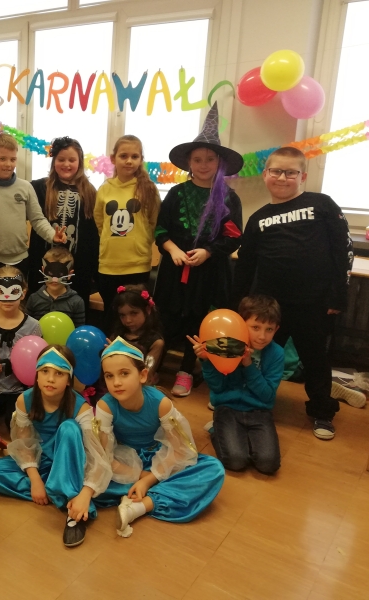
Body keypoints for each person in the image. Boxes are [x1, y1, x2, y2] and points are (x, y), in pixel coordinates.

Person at [233, 146, 353, 441]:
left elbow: (343, 251)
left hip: (314, 303)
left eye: (290, 172)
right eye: (276, 171)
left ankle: (322, 411)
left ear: (303, 176)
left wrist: (338, 295)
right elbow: (246, 265)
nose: (282, 177)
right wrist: (239, 305)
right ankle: (246, 402)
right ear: (265, 174)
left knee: (315, 358)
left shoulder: (322, 205)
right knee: (258, 355)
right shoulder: (258, 218)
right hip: (270, 308)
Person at [153, 103, 244, 398]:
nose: (203, 165)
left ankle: (186, 371)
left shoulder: (228, 198)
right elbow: (160, 229)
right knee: (167, 318)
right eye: (197, 159)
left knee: (198, 321)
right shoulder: (176, 193)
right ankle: (153, 366)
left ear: (219, 162)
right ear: (189, 163)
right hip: (174, 270)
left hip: (209, 275)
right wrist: (172, 249)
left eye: (209, 159)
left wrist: (208, 252)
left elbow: (233, 236)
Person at [93, 337, 225, 538]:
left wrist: (149, 479)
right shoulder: (105, 405)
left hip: (159, 458)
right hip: (124, 462)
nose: (116, 382)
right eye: (109, 376)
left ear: (142, 375)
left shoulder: (160, 403)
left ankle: (141, 505)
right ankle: (156, 490)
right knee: (88, 475)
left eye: (124, 373)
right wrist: (139, 475)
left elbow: (180, 450)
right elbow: (103, 456)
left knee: (212, 469)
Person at [0, 345, 111, 547]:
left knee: (69, 428)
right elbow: (24, 444)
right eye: (44, 371)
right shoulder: (25, 400)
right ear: (36, 375)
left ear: (68, 379)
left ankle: (73, 508)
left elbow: (92, 453)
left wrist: (87, 492)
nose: (50, 379)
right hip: (41, 459)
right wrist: (35, 481)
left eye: (59, 373)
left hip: (70, 462)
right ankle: (56, 490)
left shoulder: (80, 406)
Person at [0, 132, 67, 302]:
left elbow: (37, 219)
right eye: (2, 159)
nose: (8, 164)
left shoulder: (25, 187)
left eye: (13, 159)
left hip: (20, 260)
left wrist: (52, 235)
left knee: (17, 305)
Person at [189, 295, 283, 474]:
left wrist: (248, 364)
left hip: (260, 412)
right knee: (236, 461)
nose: (262, 336)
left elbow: (267, 396)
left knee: (268, 464)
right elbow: (218, 387)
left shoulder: (276, 353)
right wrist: (206, 361)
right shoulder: (226, 346)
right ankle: (217, 429)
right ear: (240, 324)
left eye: (269, 329)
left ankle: (238, 435)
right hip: (228, 409)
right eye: (255, 327)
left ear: (276, 329)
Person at [94, 135, 161, 330]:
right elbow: (100, 223)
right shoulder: (105, 189)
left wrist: (139, 243)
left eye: (135, 156)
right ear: (113, 159)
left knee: (136, 319)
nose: (129, 161)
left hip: (137, 265)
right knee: (112, 317)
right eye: (123, 156)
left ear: (141, 160)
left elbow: (154, 222)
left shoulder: (149, 189)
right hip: (109, 265)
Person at [29, 137, 99, 310]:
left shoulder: (90, 192)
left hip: (78, 268)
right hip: (42, 264)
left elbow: (93, 233)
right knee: (40, 307)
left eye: (72, 160)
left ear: (80, 162)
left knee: (75, 309)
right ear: (54, 161)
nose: (66, 164)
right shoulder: (39, 188)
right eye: (61, 159)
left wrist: (93, 268)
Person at [0, 266, 42, 429]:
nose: (7, 298)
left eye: (13, 292)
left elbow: (39, 359)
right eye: (1, 292)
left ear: (23, 293)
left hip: (20, 389)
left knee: (14, 424)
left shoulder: (33, 326)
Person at [110, 284, 164, 385]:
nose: (128, 320)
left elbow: (147, 374)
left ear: (147, 310)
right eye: (122, 315)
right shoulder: (116, 336)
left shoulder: (156, 342)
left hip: (138, 386)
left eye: (134, 313)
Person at [26, 246, 85, 326]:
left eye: (61, 274)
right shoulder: (34, 298)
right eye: (50, 273)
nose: (54, 279)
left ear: (69, 275)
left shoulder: (77, 302)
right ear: (43, 271)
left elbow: (78, 329)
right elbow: (27, 326)